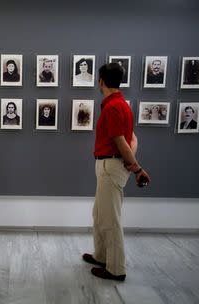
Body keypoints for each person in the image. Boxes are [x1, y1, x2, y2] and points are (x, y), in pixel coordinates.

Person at [82, 63, 151, 282]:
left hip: (110, 167)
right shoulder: (122, 105)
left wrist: (136, 167)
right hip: (111, 166)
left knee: (111, 220)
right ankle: (101, 256)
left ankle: (116, 268)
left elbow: (122, 142)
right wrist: (130, 164)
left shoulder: (113, 108)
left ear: (101, 81)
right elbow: (133, 139)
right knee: (100, 215)